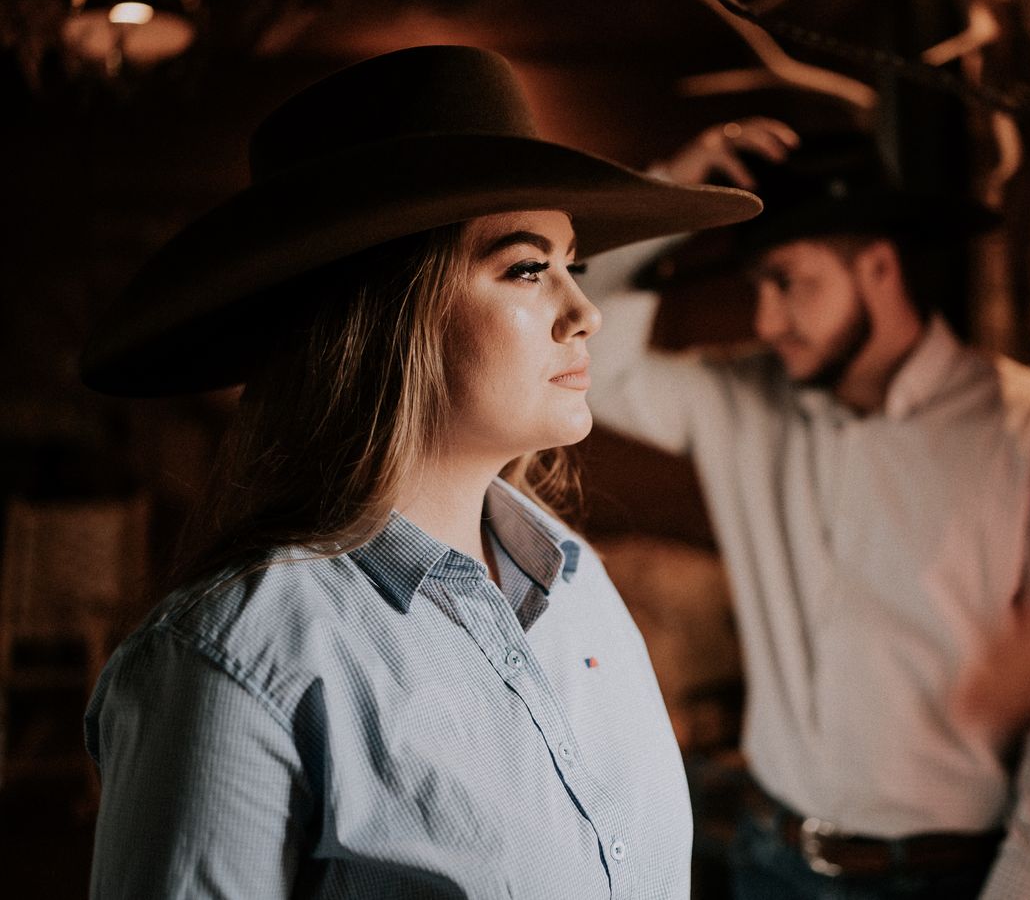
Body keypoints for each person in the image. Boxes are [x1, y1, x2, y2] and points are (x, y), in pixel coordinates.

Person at [77, 45, 760, 898]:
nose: (584, 312)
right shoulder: (237, 660)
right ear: (387, 313)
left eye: (573, 265)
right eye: (527, 268)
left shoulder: (576, 582)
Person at [581, 120, 1030, 899]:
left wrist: (1025, 884)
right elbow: (592, 361)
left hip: (947, 879)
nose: (766, 320)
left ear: (877, 265)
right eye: (756, 286)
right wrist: (668, 196)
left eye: (788, 281)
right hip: (768, 859)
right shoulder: (741, 398)